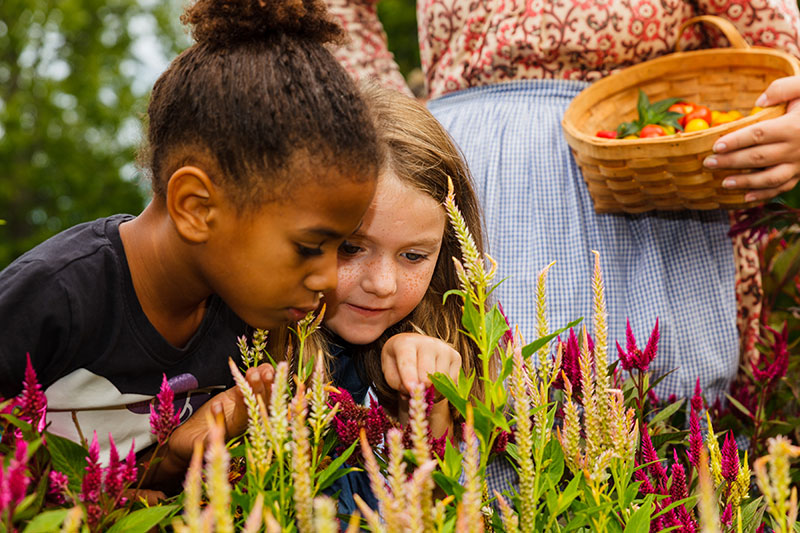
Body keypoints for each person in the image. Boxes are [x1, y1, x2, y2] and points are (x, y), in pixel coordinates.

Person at [325, 0, 800, 401]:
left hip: (636, 170)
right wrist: (389, 125)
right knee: (465, 395)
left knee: (652, 414)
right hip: (464, 163)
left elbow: (763, 36)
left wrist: (787, 101)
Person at [0, 0, 380, 492]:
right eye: (310, 246)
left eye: (342, 247)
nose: (329, 279)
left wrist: (177, 453)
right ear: (197, 207)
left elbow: (124, 488)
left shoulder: (248, 316)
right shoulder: (55, 296)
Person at [306, 84, 511, 515]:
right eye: (351, 247)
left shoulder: (425, 341)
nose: (382, 284)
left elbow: (427, 512)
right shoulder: (247, 342)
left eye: (414, 256)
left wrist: (425, 405)